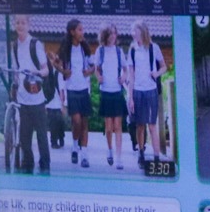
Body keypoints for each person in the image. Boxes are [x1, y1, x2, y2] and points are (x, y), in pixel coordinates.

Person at [10, 14, 52, 174]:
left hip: (37, 99)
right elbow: (16, 71)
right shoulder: (14, 46)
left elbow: (46, 70)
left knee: (41, 136)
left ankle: (45, 166)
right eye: (17, 23)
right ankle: (28, 165)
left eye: (23, 23)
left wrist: (36, 72)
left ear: (28, 25)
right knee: (24, 137)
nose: (20, 26)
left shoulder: (35, 44)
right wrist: (15, 83)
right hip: (23, 99)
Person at [56, 19, 93, 167]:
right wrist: (63, 71)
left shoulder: (85, 48)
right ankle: (75, 145)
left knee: (84, 123)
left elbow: (93, 67)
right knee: (76, 121)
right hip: (72, 89)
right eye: (79, 30)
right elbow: (56, 64)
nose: (82, 33)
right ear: (72, 32)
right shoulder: (66, 48)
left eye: (82, 30)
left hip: (84, 89)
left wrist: (89, 71)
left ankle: (84, 155)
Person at [128, 21, 165, 165]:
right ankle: (141, 153)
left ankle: (156, 157)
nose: (133, 34)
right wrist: (131, 98)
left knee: (152, 125)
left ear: (142, 32)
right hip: (138, 91)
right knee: (140, 125)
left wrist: (156, 73)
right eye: (132, 32)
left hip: (151, 91)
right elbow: (131, 76)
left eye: (135, 31)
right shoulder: (132, 50)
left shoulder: (154, 48)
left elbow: (164, 67)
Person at [95, 22, 129, 169]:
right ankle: (109, 150)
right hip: (105, 91)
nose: (113, 36)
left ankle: (119, 158)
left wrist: (124, 77)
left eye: (114, 33)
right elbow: (96, 68)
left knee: (118, 126)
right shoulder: (100, 51)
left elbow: (126, 69)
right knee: (108, 127)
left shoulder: (119, 51)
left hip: (117, 91)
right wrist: (98, 77)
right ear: (105, 35)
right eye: (110, 33)